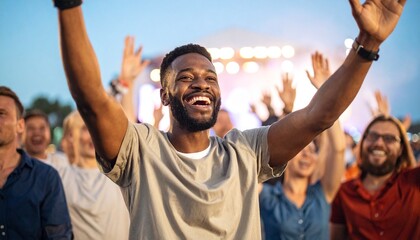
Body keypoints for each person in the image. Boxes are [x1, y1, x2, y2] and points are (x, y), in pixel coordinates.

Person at [54, 0, 407, 238]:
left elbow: (318, 117)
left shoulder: (245, 151)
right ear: (165, 94)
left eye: (210, 77)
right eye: (186, 77)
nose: (201, 83)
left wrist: (367, 43)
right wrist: (69, 6)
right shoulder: (140, 150)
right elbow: (92, 100)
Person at [259, 52, 346, 240]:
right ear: (287, 155)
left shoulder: (323, 195)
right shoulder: (266, 197)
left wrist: (326, 93)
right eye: (300, 150)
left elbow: (338, 149)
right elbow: (278, 141)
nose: (307, 155)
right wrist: (287, 110)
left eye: (312, 151)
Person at [0, 86, 72, 239]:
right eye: (32, 128)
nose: (37, 133)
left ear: (19, 126)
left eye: (1, 114)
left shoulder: (48, 177)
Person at [330, 115, 419, 239]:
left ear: (401, 149)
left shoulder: (414, 181)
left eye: (389, 138)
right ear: (362, 142)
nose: (379, 143)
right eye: (373, 136)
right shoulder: (344, 191)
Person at [56, 111, 130, 240]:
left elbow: (128, 124)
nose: (93, 134)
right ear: (71, 136)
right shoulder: (59, 176)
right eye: (86, 129)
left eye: (96, 127)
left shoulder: (119, 170)